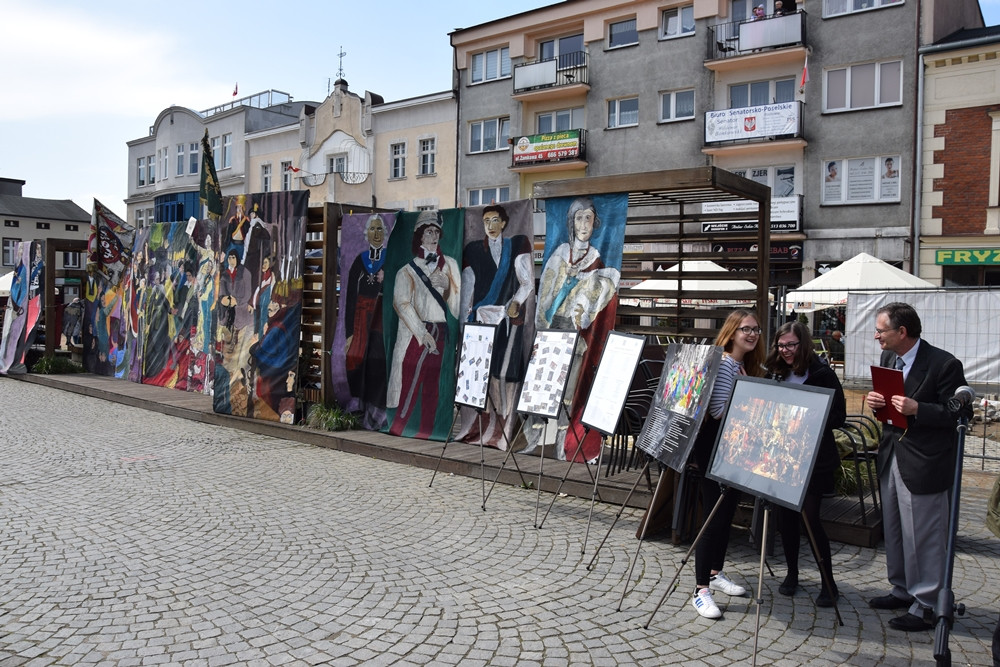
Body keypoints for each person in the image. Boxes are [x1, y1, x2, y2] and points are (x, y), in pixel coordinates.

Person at [864, 302, 971, 631]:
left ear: (902, 331)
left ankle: (927, 604)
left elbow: (958, 414)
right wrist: (876, 404)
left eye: (880, 330)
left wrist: (918, 409)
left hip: (925, 463)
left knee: (924, 535)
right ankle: (902, 589)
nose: (876, 336)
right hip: (893, 454)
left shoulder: (944, 364)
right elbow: (890, 408)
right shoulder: (888, 358)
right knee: (896, 529)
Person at [690, 309, 765, 619]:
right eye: (746, 329)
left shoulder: (740, 365)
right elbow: (718, 412)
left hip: (734, 452)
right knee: (713, 518)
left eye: (756, 329)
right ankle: (700, 590)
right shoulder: (724, 365)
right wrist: (747, 396)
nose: (752, 334)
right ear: (732, 332)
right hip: (714, 453)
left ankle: (714, 573)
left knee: (726, 515)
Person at [764, 321, 845, 607]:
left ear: (804, 344)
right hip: (782, 457)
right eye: (781, 345)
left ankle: (829, 583)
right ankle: (792, 574)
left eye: (791, 345)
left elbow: (839, 416)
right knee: (785, 519)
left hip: (813, 459)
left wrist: (806, 416)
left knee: (810, 519)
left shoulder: (822, 373)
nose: (785, 350)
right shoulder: (775, 372)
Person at [533, 196, 620, 460]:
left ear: (595, 223)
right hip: (552, 331)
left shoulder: (597, 261)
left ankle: (563, 444)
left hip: (576, 333)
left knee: (569, 391)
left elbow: (600, 295)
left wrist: (583, 308)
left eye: (588, 218)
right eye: (579, 218)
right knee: (545, 387)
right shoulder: (559, 254)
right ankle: (537, 439)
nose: (583, 224)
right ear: (571, 222)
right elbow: (545, 293)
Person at [457, 204, 534, 448]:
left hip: (507, 318)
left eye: (494, 220)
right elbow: (468, 287)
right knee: (482, 373)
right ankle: (485, 422)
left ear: (504, 223)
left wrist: (517, 302)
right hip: (481, 321)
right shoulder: (473, 250)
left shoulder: (516, 245)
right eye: (486, 221)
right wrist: (465, 322)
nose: (490, 226)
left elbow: (527, 282)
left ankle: (505, 424)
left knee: (505, 372)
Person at [387, 210, 461, 438]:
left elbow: (457, 307)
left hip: (441, 330)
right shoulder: (406, 271)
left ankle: (429, 431)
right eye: (429, 231)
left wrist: (448, 287)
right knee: (410, 383)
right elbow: (401, 305)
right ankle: (401, 427)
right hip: (417, 333)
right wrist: (422, 333)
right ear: (419, 235)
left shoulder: (450, 265)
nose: (434, 236)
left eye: (436, 231)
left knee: (433, 385)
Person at [344, 214, 390, 429]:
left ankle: (377, 413)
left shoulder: (390, 259)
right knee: (356, 360)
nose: (376, 234)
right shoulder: (359, 260)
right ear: (366, 234)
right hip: (361, 320)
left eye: (380, 229)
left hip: (380, 319)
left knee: (378, 361)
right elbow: (350, 297)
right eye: (372, 229)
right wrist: (349, 333)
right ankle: (359, 408)